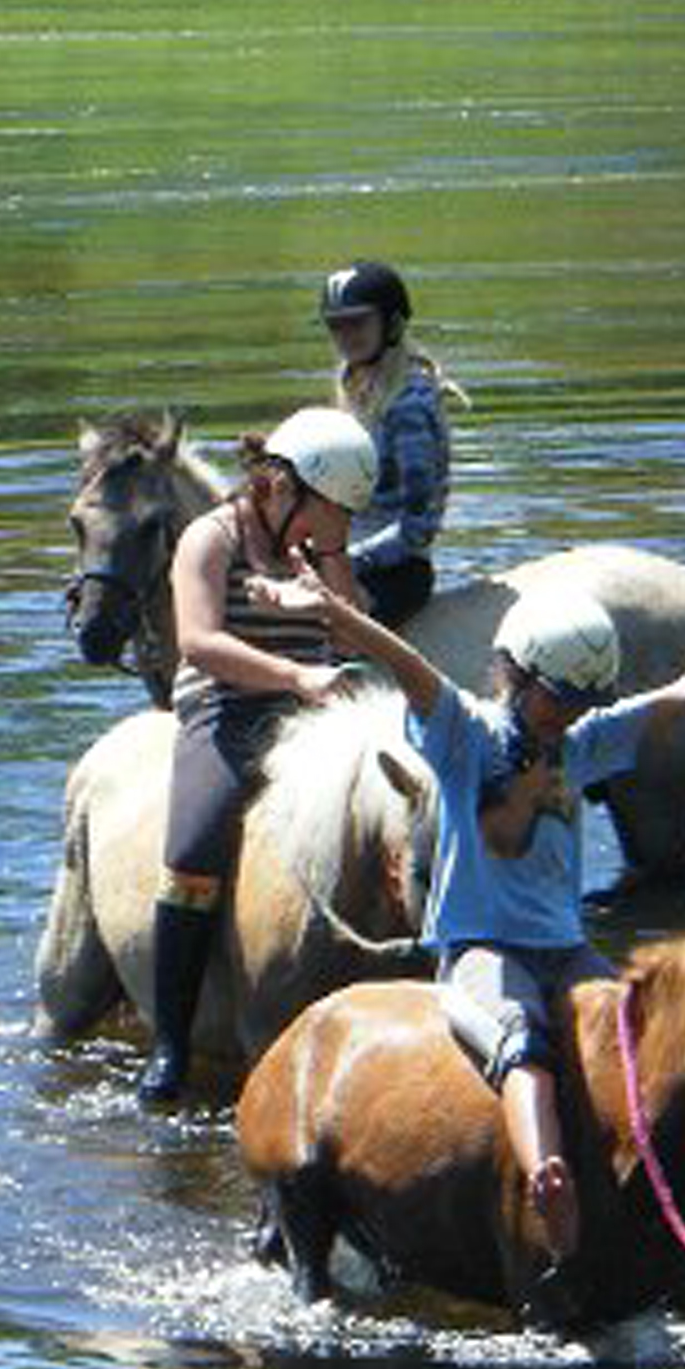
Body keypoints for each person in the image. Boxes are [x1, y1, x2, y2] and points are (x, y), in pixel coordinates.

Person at [251, 569, 685, 1296]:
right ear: (515, 675)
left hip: (565, 950)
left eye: (584, 700)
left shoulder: (583, 742)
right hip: (481, 953)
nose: (568, 714)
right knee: (522, 1043)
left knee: (660, 1066)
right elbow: (411, 670)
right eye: (558, 697)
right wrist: (337, 615)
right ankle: (548, 1178)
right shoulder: (465, 736)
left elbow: (682, 698)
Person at [136, 404, 382, 1109]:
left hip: (313, 704)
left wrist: (333, 567)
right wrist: (295, 676)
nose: (339, 532)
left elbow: (356, 636)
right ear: (284, 488)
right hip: (228, 707)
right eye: (332, 515)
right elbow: (200, 643)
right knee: (193, 847)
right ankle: (172, 1042)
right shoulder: (208, 540)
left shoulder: (318, 544)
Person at [319, 260, 464, 629]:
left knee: (329, 645)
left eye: (358, 322)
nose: (345, 335)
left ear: (392, 323)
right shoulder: (359, 391)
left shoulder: (408, 405)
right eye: (336, 325)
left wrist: (349, 559)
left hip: (397, 574)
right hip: (347, 558)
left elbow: (419, 526)